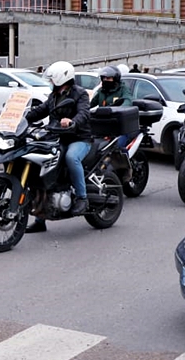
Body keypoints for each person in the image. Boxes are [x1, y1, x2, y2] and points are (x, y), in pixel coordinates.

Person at [24, 61, 91, 233]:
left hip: (79, 138)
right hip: (57, 137)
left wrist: (72, 122)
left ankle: (82, 198)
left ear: (62, 78)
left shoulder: (80, 94)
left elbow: (83, 113)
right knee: (43, 167)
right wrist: (22, 117)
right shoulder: (54, 95)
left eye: (53, 79)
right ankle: (40, 219)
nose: (51, 82)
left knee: (71, 157)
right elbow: (41, 110)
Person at [90, 65, 133, 148]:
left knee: (117, 147)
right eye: (104, 78)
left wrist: (119, 110)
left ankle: (124, 159)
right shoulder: (101, 91)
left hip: (118, 126)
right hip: (102, 125)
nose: (106, 80)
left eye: (108, 78)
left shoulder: (123, 89)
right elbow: (90, 104)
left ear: (115, 79)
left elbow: (128, 100)